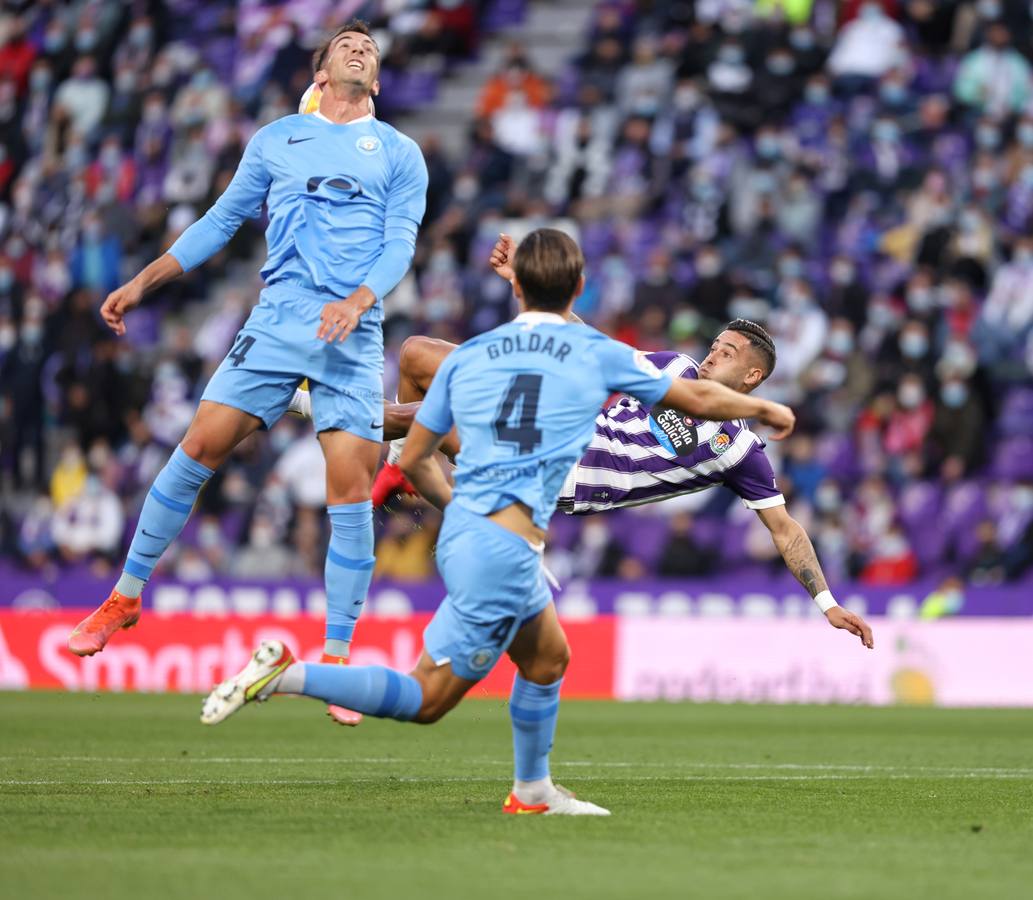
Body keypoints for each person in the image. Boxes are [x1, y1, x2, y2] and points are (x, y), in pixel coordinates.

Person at [200, 228, 803, 816]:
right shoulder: (588, 358)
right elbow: (690, 399)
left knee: (548, 661)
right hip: (503, 542)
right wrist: (767, 408)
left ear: (518, 291)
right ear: (580, 289)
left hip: (474, 529)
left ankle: (533, 789)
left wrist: (443, 491)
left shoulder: (485, 354)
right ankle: (287, 673)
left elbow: (413, 451)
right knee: (427, 698)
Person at [67, 21, 429, 730]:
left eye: (371, 50)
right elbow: (220, 220)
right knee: (198, 446)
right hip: (276, 320)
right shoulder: (274, 140)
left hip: (350, 332)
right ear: (319, 72)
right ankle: (127, 594)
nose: (362, 50)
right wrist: (145, 280)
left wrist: (359, 300)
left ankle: (334, 660)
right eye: (347, 45)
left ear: (378, 82)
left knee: (350, 488)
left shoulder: (399, 153)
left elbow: (401, 243)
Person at [363, 235, 875, 633]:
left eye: (729, 352)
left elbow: (785, 529)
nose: (714, 351)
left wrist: (827, 603)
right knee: (416, 354)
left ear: (752, 379)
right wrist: (524, 280)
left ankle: (305, 402)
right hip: (552, 425)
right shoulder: (674, 366)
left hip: (562, 474)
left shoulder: (739, 450)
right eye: (717, 342)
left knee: (439, 413)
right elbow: (590, 341)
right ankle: (403, 466)